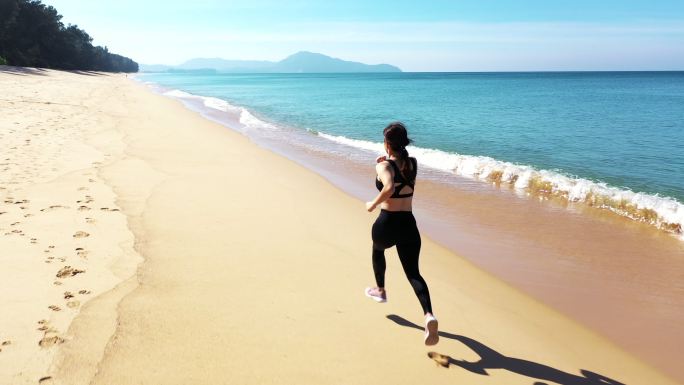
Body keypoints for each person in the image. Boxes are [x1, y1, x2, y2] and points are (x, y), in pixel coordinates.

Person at [365, 122, 438, 346]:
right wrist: (384, 163)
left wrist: (372, 204)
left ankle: (380, 290)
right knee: (414, 273)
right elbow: (398, 172)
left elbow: (388, 188)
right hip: (408, 224)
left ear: (387, 144)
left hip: (387, 222)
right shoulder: (413, 163)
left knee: (378, 251)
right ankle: (429, 316)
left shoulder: (384, 166)